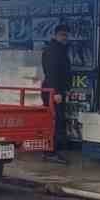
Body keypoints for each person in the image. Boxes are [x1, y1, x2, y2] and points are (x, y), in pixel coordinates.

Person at [41, 23, 72, 162]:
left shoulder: (61, 49)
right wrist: (56, 92)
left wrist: (66, 89)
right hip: (52, 91)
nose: (65, 37)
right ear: (55, 35)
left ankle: (53, 150)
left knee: (58, 120)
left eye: (66, 35)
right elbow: (52, 72)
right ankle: (50, 151)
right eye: (62, 34)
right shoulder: (52, 50)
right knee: (54, 121)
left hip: (57, 90)